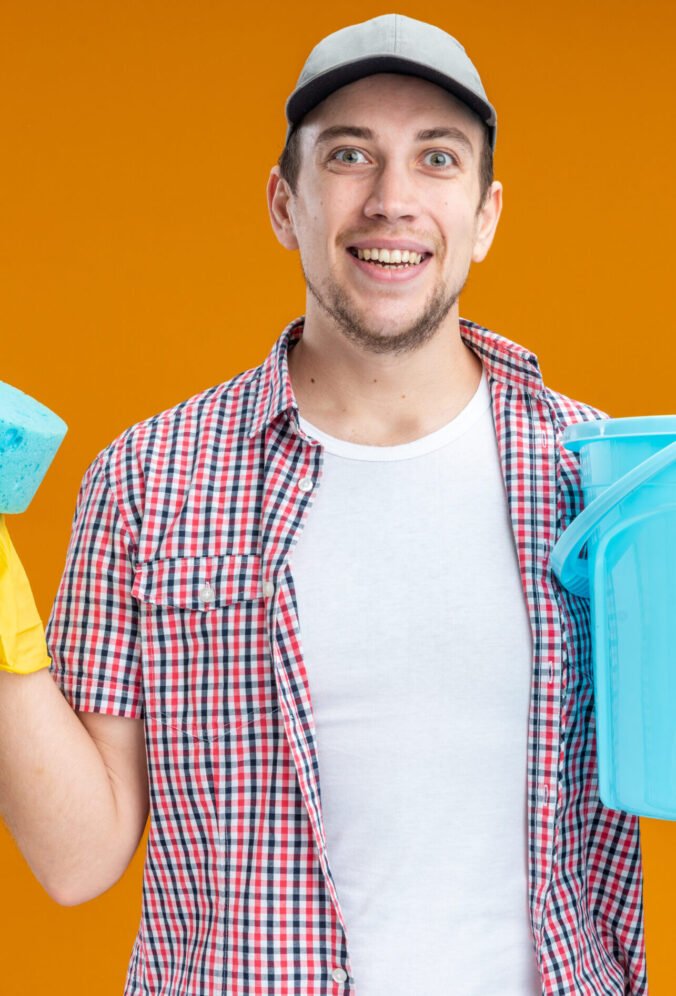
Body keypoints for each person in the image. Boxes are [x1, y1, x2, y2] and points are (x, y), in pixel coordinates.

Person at [0, 13, 648, 995]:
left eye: (436, 159)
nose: (391, 201)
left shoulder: (602, 480)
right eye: (349, 156)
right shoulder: (146, 480)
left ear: (484, 214)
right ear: (283, 201)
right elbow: (77, 858)